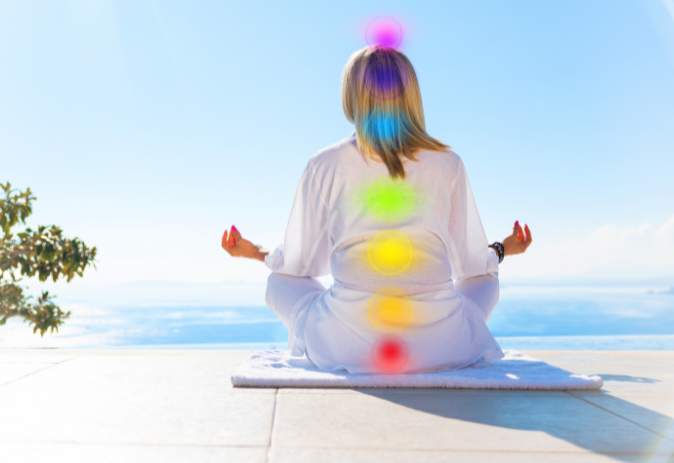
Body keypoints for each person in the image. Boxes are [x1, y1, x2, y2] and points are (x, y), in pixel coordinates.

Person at [220, 45, 532, 373]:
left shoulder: (323, 164)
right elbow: (469, 266)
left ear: (352, 97)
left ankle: (328, 338)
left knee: (277, 282)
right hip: (443, 346)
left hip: (347, 345)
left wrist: (257, 253)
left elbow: (300, 265)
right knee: (486, 279)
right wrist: (501, 250)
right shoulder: (449, 164)